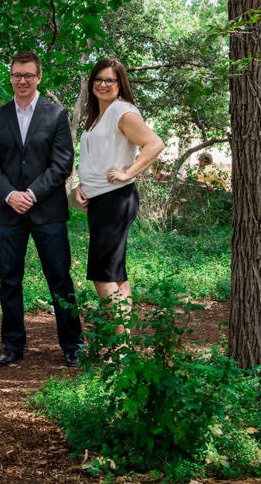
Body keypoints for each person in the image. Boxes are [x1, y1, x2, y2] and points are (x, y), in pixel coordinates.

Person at [0, 50, 83, 368]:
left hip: (47, 211)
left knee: (60, 279)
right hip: (6, 211)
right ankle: (13, 343)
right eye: (17, 75)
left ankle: (72, 344)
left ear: (39, 77)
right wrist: (11, 195)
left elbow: (62, 163)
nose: (22, 80)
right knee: (9, 280)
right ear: (10, 78)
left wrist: (32, 194)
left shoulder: (56, 115)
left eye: (28, 75)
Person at [74, 58, 165, 331]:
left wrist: (128, 173)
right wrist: (82, 186)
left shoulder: (122, 111)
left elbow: (154, 144)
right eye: (98, 79)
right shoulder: (99, 116)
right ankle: (123, 343)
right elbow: (97, 158)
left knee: (102, 274)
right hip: (101, 199)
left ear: (120, 83)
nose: (103, 84)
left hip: (115, 199)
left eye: (110, 80)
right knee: (115, 274)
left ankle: (119, 345)